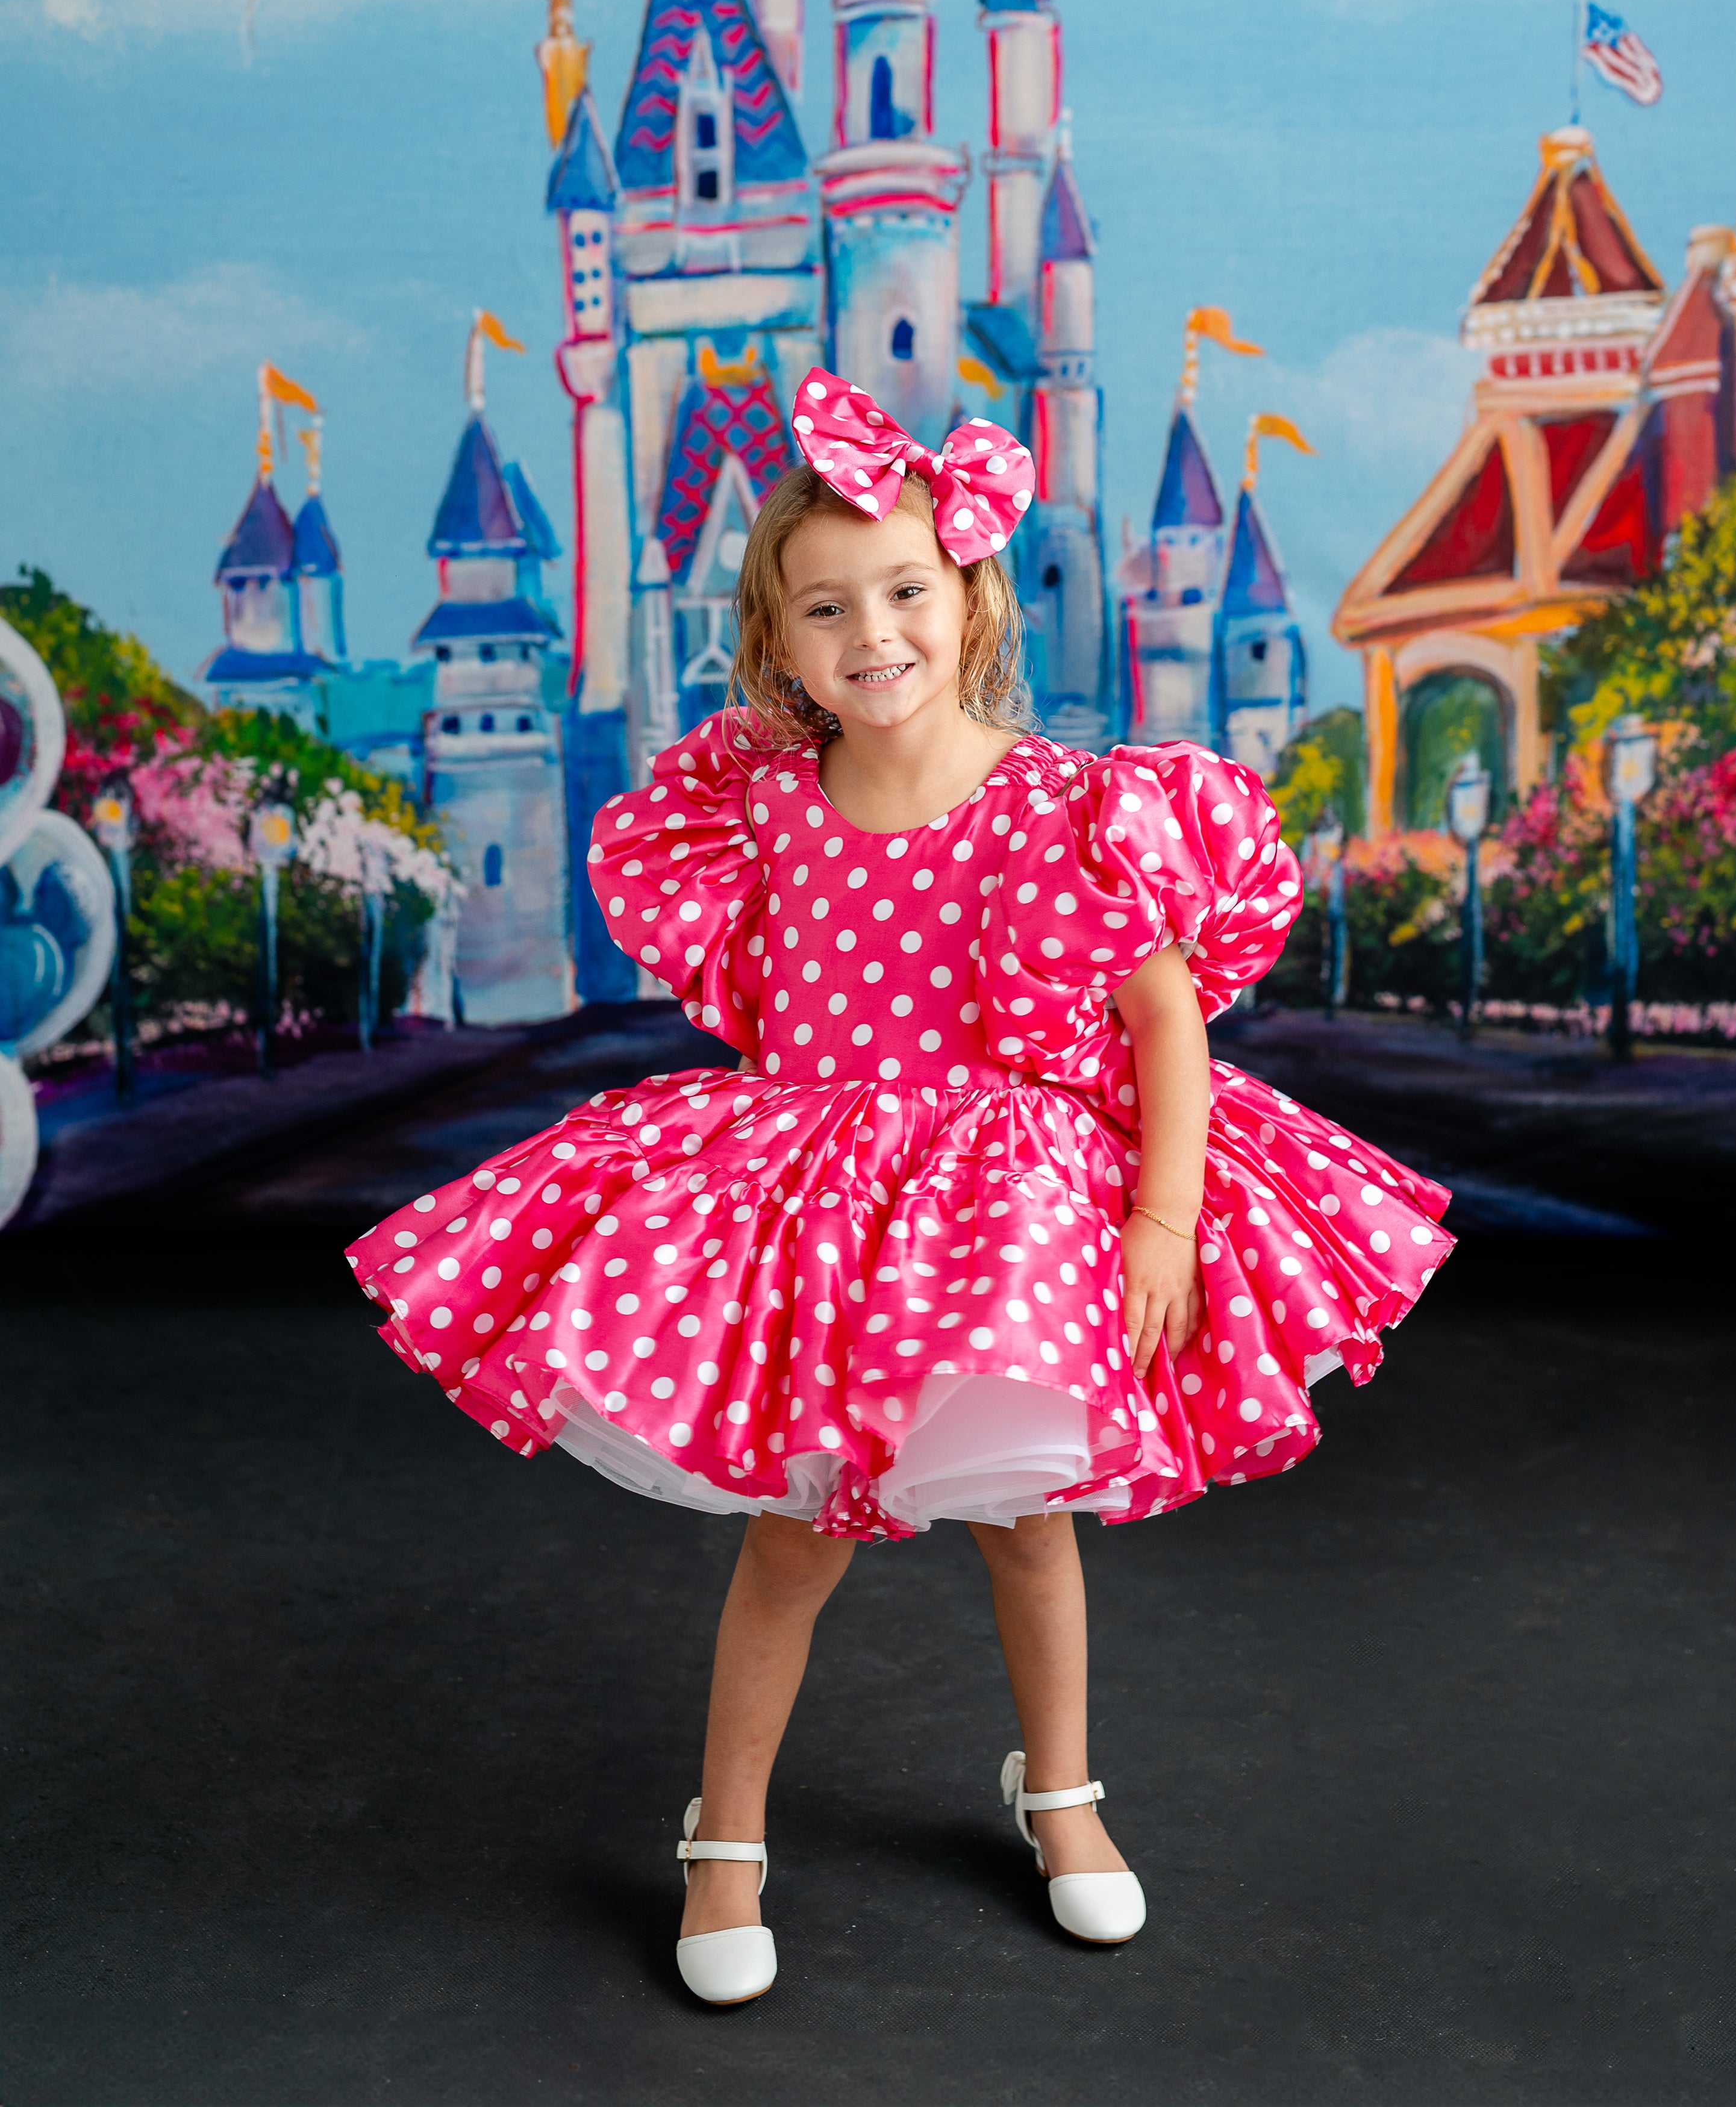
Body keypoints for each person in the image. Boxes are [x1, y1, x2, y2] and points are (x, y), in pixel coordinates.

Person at [348, 373, 1453, 2006]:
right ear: (779, 646)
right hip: (815, 1212)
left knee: (1026, 1520)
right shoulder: (761, 814)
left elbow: (1164, 1026)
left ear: (972, 598)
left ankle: (1058, 1794)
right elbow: (760, 998)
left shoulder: (1064, 807)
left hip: (1008, 1215)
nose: (872, 632)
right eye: (826, 608)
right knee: (796, 1540)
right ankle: (725, 1832)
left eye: (905, 591)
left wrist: (1159, 1222)